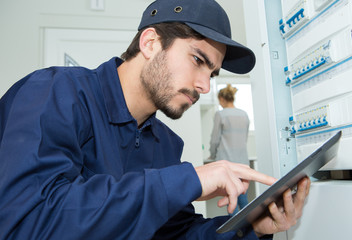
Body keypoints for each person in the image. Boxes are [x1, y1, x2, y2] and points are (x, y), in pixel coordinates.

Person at [0, 0, 310, 239]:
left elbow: (173, 234)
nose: (205, 85)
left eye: (212, 73)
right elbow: (26, 223)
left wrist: (251, 228)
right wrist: (188, 180)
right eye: (198, 60)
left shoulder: (165, 144)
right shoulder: (54, 93)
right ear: (150, 43)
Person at [209, 84, 251, 212]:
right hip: (243, 162)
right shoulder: (244, 114)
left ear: (222, 99)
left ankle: (234, 231)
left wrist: (212, 155)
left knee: (231, 198)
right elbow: (245, 138)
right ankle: (247, 227)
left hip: (227, 162)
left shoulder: (220, 115)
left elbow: (215, 139)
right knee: (242, 196)